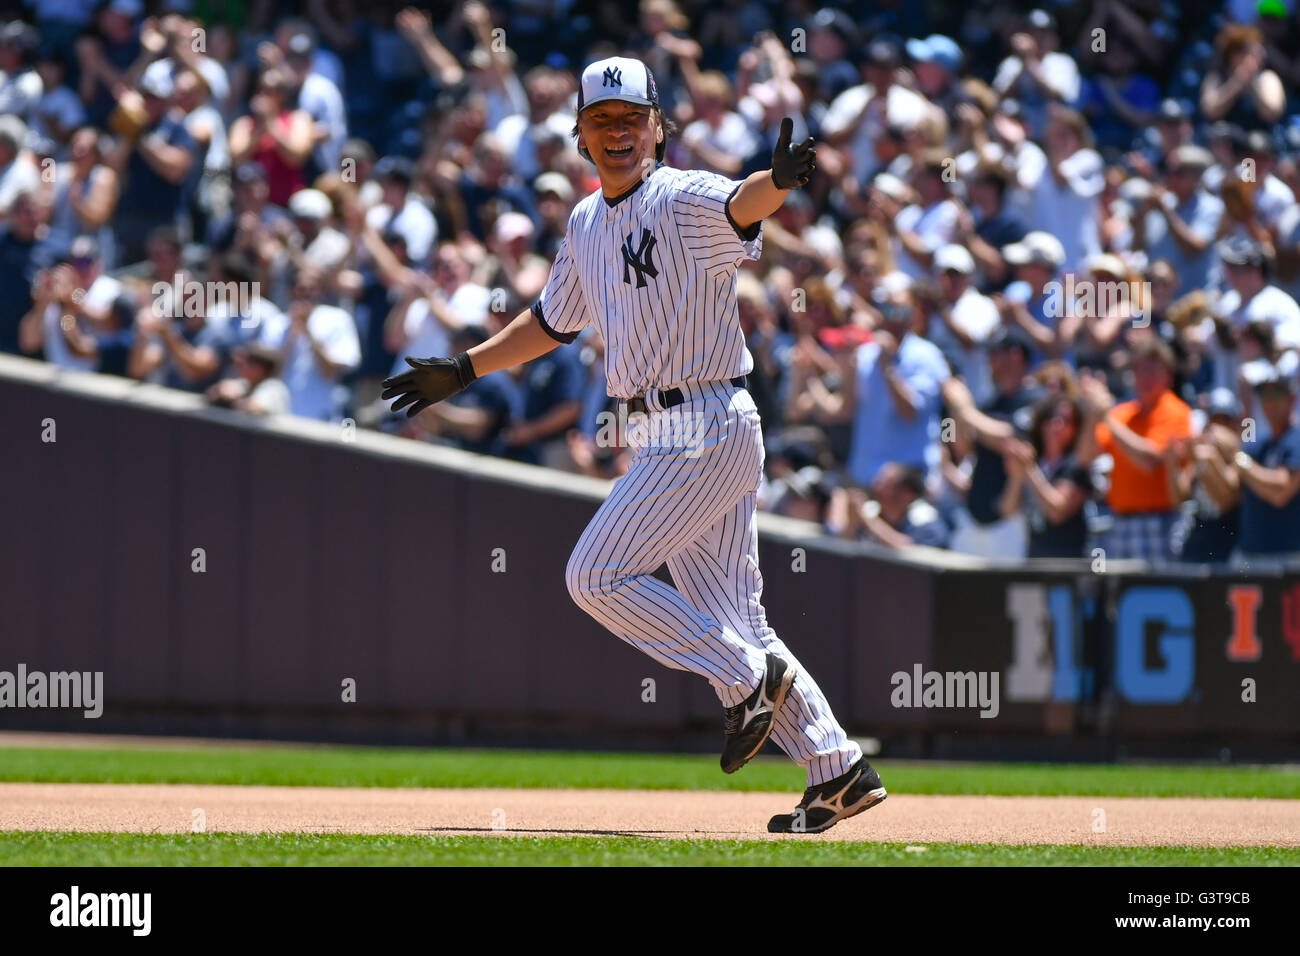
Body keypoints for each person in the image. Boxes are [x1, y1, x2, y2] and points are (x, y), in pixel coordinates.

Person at [381, 56, 885, 835]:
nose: (617, 132)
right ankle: (837, 769)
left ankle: (746, 679)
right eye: (601, 120)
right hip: (675, 426)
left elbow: (742, 203)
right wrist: (465, 367)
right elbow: (552, 323)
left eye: (631, 118)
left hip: (705, 416)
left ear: (658, 127)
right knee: (737, 618)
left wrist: (779, 181)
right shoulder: (586, 222)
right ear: (580, 136)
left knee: (595, 575)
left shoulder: (679, 195)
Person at [1078, 338, 1192, 564]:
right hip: (1120, 521)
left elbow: (1150, 462)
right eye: (1140, 369)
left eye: (1153, 370)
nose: (1145, 377)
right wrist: (1093, 413)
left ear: (1168, 376)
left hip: (1161, 522)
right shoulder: (1122, 414)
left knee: (1160, 586)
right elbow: (1085, 457)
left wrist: (1106, 418)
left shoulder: (1177, 411)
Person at [1001, 394, 1094, 559]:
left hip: (1068, 562)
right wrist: (1016, 476)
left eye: (1066, 420)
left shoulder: (1076, 465)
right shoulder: (1035, 462)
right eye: (1051, 417)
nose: (1056, 425)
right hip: (1035, 560)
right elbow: (1008, 510)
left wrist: (1029, 468)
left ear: (1075, 428)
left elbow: (1056, 512)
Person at [1233, 367, 1300, 567]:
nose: (1269, 402)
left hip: (1287, 559)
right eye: (1264, 395)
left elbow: (1280, 493)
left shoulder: (1296, 438)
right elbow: (1232, 487)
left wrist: (1243, 464)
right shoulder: (1260, 442)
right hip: (1250, 555)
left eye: (1276, 394)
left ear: (1292, 399)